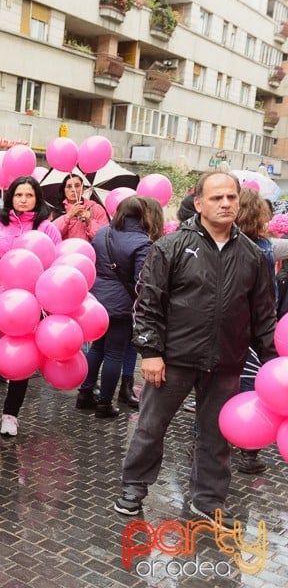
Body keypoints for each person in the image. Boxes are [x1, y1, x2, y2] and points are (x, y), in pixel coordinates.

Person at [114, 173, 276, 527]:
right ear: (199, 203)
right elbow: (148, 304)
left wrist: (273, 367)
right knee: (151, 426)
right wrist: (151, 353)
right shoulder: (170, 247)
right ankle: (134, 488)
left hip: (226, 362)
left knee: (217, 435)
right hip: (173, 359)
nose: (226, 204)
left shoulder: (251, 254)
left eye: (232, 198)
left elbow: (264, 315)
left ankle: (209, 500)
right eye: (217, 198)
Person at [0, 176, 62, 436]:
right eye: (19, 195)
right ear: (11, 196)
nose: (23, 200)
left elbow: (56, 264)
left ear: (37, 199)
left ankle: (11, 414)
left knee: (19, 359)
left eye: (29, 195)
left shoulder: (46, 229)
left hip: (27, 304)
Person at [75, 197, 163, 419]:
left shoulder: (103, 232)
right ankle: (105, 404)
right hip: (122, 305)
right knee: (115, 352)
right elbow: (141, 280)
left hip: (96, 301)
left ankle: (85, 393)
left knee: (97, 348)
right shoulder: (143, 242)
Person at [231, 187, 288, 474]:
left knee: (214, 390)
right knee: (253, 386)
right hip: (258, 329)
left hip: (227, 327)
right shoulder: (266, 248)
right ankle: (249, 451)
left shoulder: (221, 246)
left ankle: (201, 442)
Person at [52, 173, 108, 240]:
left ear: (83, 189)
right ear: (64, 190)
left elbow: (104, 237)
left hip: (89, 249)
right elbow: (52, 234)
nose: (73, 190)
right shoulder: (58, 210)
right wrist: (69, 215)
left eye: (77, 186)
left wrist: (89, 221)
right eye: (69, 186)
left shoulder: (95, 208)